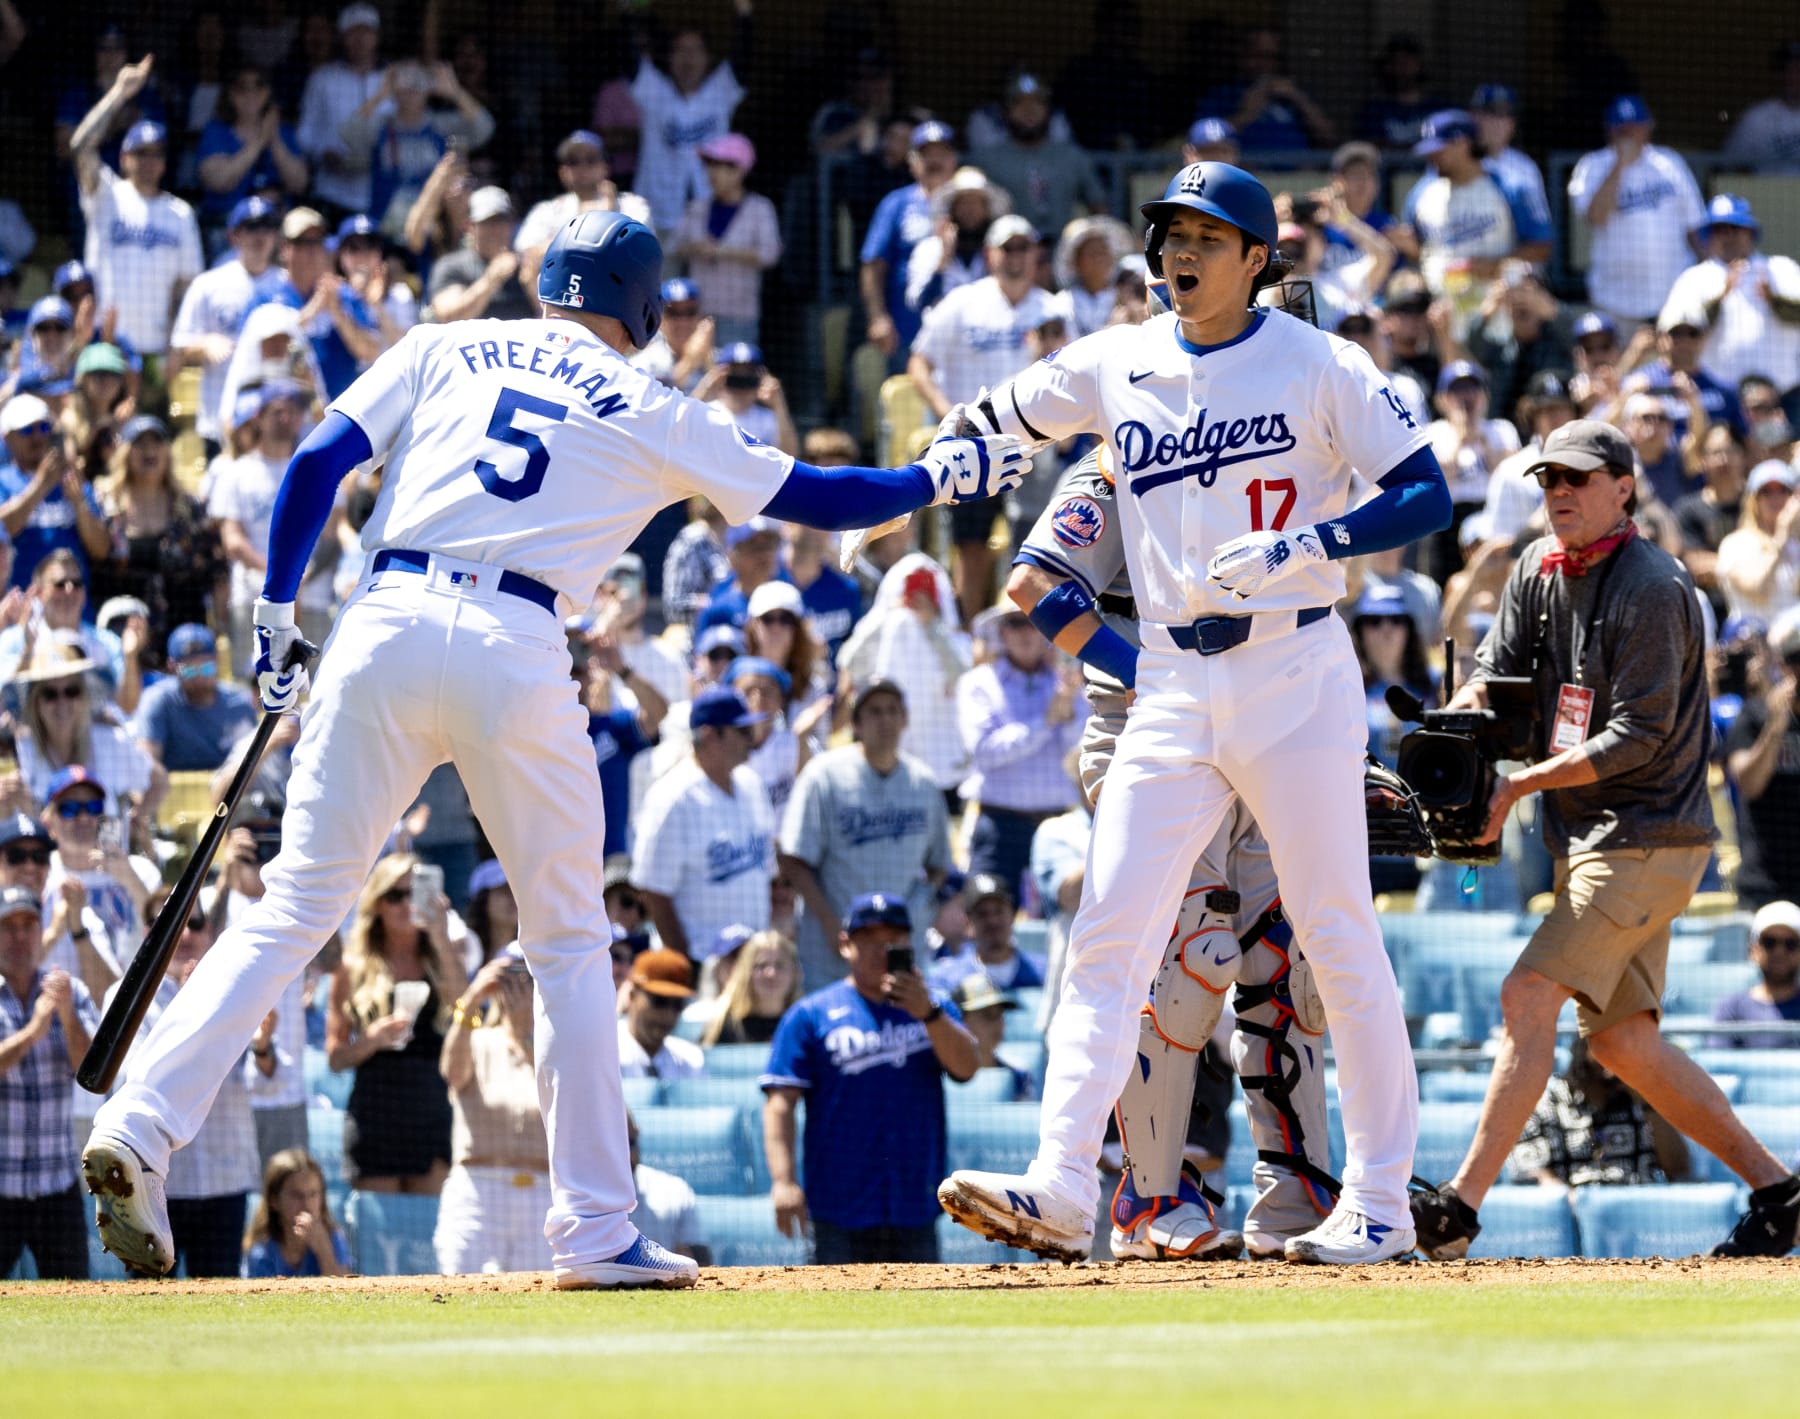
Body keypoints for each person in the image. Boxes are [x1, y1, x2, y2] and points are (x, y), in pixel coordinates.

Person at [78, 206, 1022, 1288]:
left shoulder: (445, 341)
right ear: (643, 307)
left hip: (380, 617)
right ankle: (595, 1230)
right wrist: (936, 477)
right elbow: (814, 493)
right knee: (570, 939)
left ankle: (143, 1125)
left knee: (294, 904)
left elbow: (316, 460)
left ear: (547, 284)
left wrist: (277, 615)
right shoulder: (655, 403)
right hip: (515, 642)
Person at [935, 161, 1451, 1266]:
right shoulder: (1120, 358)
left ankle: (1380, 1203)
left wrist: (1314, 544)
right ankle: (1067, 1185)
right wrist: (929, 470)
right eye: (1170, 230)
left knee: (1335, 935)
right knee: (1110, 932)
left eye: (1207, 235)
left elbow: (1423, 491)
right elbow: (1004, 413)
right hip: (1167, 681)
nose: (1180, 249)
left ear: (1258, 258)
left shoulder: (1320, 360)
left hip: (1294, 670)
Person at [1409, 419, 1800, 1262]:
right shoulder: (1534, 568)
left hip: (1650, 836)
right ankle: (1779, 1191)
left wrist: (1516, 783)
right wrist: (1469, 708)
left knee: (1524, 996)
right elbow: (1496, 667)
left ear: (1625, 486)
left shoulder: (1655, 586)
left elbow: (1638, 738)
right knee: (1623, 1043)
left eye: (1579, 478)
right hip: (1599, 838)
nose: (1560, 492)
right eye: (1550, 478)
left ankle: (1458, 1207)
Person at [1011, 443, 1343, 1260]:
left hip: (1266, 732)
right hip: (1144, 733)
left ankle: (1297, 1186)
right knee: (1197, 952)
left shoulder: (1282, 441)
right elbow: (1035, 583)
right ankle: (1147, 1196)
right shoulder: (1129, 449)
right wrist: (1148, 673)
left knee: (1285, 958)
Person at [761, 893, 977, 1264]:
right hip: (838, 1205)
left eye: (893, 939)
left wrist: (928, 1013)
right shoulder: (811, 1015)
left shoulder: (934, 1006)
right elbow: (780, 1104)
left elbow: (967, 1067)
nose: (883, 949)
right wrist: (783, 1181)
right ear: (846, 944)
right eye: (870, 939)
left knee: (922, 1316)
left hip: (914, 1201)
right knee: (833, 1316)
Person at [909, 215, 1062, 621]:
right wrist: (946, 414)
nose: (1016, 257)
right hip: (972, 442)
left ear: (1036, 254)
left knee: (1038, 546)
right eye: (1007, 248)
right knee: (971, 548)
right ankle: (969, 632)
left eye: (1024, 247)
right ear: (990, 254)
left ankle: (1034, 638)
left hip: (1036, 446)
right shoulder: (963, 301)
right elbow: (918, 362)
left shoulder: (1053, 308)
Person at [111, 906, 266, 1277]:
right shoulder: (126, 995)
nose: (185, 936)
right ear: (150, 933)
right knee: (144, 1302)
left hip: (223, 1179)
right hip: (156, 1183)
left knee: (220, 1306)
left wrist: (264, 1045)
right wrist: (187, 1010)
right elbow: (129, 1080)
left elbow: (266, 1078)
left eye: (194, 924)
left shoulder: (234, 989)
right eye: (172, 926)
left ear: (209, 931)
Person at [779, 676, 950, 990]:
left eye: (892, 710)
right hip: (834, 947)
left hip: (901, 946)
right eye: (874, 712)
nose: (884, 720)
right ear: (855, 723)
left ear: (904, 719)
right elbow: (793, 860)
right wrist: (830, 923)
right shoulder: (824, 777)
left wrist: (922, 904)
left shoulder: (923, 782)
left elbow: (940, 864)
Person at [326, 853, 464, 1197]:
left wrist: (441, 937)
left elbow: (468, 1010)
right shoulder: (353, 966)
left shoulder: (440, 956)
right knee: (379, 1238)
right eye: (395, 896)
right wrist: (371, 1041)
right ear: (377, 904)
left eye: (413, 894)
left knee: (427, 1237)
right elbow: (335, 1057)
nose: (405, 905)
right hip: (377, 1111)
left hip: (430, 1107)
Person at [70, 58, 204, 370]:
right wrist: (119, 92)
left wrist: (176, 345)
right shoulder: (106, 194)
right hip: (103, 346)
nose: (149, 160)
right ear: (124, 156)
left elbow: (185, 289)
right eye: (141, 152)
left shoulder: (180, 213)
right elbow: (80, 146)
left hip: (155, 353)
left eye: (156, 152)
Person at [631, 685, 775, 958]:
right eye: (742, 730)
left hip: (755, 961)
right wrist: (684, 961)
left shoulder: (751, 784)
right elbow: (653, 892)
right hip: (705, 963)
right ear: (710, 735)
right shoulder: (672, 798)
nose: (751, 738)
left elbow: (768, 870)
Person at [0, 883, 98, 1279]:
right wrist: (32, 1032)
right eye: (9, 927)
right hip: (1, 1184)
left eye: (28, 925)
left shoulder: (66, 991)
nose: (20, 937)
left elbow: (91, 1071)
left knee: (75, 1303)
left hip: (56, 1182)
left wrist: (67, 1017)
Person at [435, 946, 552, 1274]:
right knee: (461, 1292)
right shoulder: (477, 1040)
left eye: (529, 979)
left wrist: (527, 1037)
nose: (520, 988)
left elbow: (560, 1099)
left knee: (540, 1303)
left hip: (542, 1191)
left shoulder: (553, 1046)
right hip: (478, 1190)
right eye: (511, 977)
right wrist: (473, 997)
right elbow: (452, 1073)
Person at [957, 606, 1082, 900]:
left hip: (1058, 826)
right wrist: (1046, 722)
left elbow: (1079, 751)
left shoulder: (1067, 683)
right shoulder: (978, 683)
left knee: (1065, 923)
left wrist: (1066, 716)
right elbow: (984, 751)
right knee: (987, 919)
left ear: (1045, 632)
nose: (1026, 631)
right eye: (1016, 623)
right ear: (1002, 633)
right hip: (999, 827)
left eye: (1034, 622)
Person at [210, 380, 336, 657]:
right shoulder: (236, 473)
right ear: (259, 416)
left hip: (312, 597)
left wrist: (300, 579)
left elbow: (330, 536)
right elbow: (232, 540)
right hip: (255, 597)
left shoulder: (316, 472)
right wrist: (281, 577)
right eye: (278, 410)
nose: (286, 418)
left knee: (314, 689)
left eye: (293, 410)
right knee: (254, 687)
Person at [90, 416, 226, 653]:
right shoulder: (105, 505)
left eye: (157, 442)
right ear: (125, 452)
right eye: (139, 443)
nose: (149, 450)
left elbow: (218, 571)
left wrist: (220, 628)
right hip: (122, 638)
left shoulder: (191, 509)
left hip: (185, 638)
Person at [1566, 96, 1706, 325]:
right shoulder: (1592, 165)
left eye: (1635, 128)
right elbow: (1596, 217)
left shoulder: (1670, 163)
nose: (1629, 135)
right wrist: (1620, 165)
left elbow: (1695, 226)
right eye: (1622, 130)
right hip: (1615, 301)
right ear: (1609, 130)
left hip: (1672, 297)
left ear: (1649, 127)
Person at [628, 4, 751, 238]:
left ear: (708, 58)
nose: (688, 58)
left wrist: (744, 14)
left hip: (710, 224)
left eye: (695, 50)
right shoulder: (654, 90)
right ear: (669, 57)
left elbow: (742, 60)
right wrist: (627, 11)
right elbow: (628, 59)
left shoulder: (720, 91)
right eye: (681, 50)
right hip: (658, 219)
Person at [1660, 194, 1800, 397]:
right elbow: (1674, 336)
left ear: (1750, 232)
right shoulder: (1693, 278)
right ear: (1709, 235)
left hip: (1784, 392)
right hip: (1721, 397)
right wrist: (1720, 296)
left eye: (1735, 227)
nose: (1728, 236)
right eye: (1719, 229)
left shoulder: (1779, 268)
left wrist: (1774, 299)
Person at [1506, 1038, 1687, 1188]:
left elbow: (1677, 1166)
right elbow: (1528, 1170)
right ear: (1582, 1050)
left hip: (1633, 1210)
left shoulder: (1641, 1102)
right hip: (1572, 1214)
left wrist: (1648, 1104)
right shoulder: (1546, 1104)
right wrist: (1560, 1196)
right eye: (1605, 1051)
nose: (1613, 1065)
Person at [860, 120, 960, 366]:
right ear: (912, 161)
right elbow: (873, 264)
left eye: (942, 154)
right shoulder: (896, 204)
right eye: (927, 155)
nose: (934, 161)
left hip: (961, 331)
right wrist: (877, 317)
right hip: (905, 329)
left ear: (954, 159)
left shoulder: (969, 201)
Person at [671, 133, 779, 347]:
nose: (711, 173)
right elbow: (672, 246)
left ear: (739, 170)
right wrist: (695, 248)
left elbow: (770, 254)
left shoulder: (760, 208)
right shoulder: (697, 207)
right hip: (696, 314)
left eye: (719, 166)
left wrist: (722, 251)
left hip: (739, 314)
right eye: (709, 165)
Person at [973, 74, 1107, 240]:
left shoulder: (1072, 156)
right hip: (1010, 254)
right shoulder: (987, 159)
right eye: (1019, 102)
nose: (1029, 109)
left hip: (1063, 252)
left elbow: (1099, 206)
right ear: (1006, 110)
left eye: (1037, 102)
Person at [1727, 608, 1800, 910]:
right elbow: (1748, 784)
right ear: (1783, 667)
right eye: (1797, 662)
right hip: (1764, 883)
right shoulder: (1754, 716)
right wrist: (1775, 727)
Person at [0, 396, 110, 590]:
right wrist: (39, 487)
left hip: (73, 608)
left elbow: (101, 548)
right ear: (7, 437)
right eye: (27, 430)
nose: (37, 437)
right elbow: (4, 529)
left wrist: (79, 505)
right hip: (21, 607)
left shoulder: (74, 481)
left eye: (43, 428)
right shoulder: (3, 481)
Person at [295, 3, 386, 216]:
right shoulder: (322, 78)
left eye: (366, 31)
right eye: (353, 32)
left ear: (377, 36)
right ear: (341, 37)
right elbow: (304, 132)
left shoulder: (391, 79)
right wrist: (323, 152)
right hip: (333, 193)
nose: (360, 39)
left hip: (382, 192)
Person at [131, 624, 257, 773]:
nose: (198, 677)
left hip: (229, 793)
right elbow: (146, 763)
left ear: (218, 660)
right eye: (189, 670)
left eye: (206, 668)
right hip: (172, 794)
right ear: (171, 667)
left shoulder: (240, 703)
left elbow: (254, 765)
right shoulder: (158, 700)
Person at [1194, 26, 1335, 151]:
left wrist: (1298, 98)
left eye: (1271, 57)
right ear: (1243, 56)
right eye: (1258, 55)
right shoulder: (1223, 94)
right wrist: (1247, 112)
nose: (1265, 63)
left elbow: (1329, 137)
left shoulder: (1289, 94)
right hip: (1249, 172)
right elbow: (1207, 142)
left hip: (1298, 173)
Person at [515, 130, 651, 257]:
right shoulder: (547, 209)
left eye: (591, 159)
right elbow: (526, 251)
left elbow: (638, 249)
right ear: (562, 171)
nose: (582, 167)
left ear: (605, 167)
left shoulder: (632, 204)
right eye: (573, 161)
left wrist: (608, 213)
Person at [240, 1147, 351, 1277]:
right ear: (274, 1200)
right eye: (296, 1195)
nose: (307, 1205)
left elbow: (343, 1291)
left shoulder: (333, 1238)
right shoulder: (261, 1251)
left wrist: (324, 1251)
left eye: (313, 1194)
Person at [1716, 461, 1800, 624]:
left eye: (1783, 491)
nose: (1776, 498)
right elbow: (1758, 589)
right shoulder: (1735, 544)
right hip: (1754, 640)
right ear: (1753, 500)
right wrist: (1780, 538)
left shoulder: (1796, 543)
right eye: (1766, 492)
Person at [1710, 900, 1800, 1047]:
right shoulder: (1731, 1008)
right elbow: (1717, 1063)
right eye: (1769, 942)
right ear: (1753, 951)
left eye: (1790, 944)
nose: (1780, 952)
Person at [616, 948, 705, 1080]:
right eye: (659, 1001)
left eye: (677, 1005)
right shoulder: (606, 1052)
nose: (668, 1015)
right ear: (632, 995)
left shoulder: (690, 1059)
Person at [700, 929, 801, 1046]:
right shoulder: (722, 1024)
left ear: (795, 973)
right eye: (761, 965)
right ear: (745, 972)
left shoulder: (805, 1025)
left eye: (780, 965)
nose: (771, 973)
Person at [1722, 41, 1800, 174]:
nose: (1792, 76)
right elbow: (1726, 167)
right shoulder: (1755, 119)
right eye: (1787, 69)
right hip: (1768, 193)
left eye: (1798, 70)